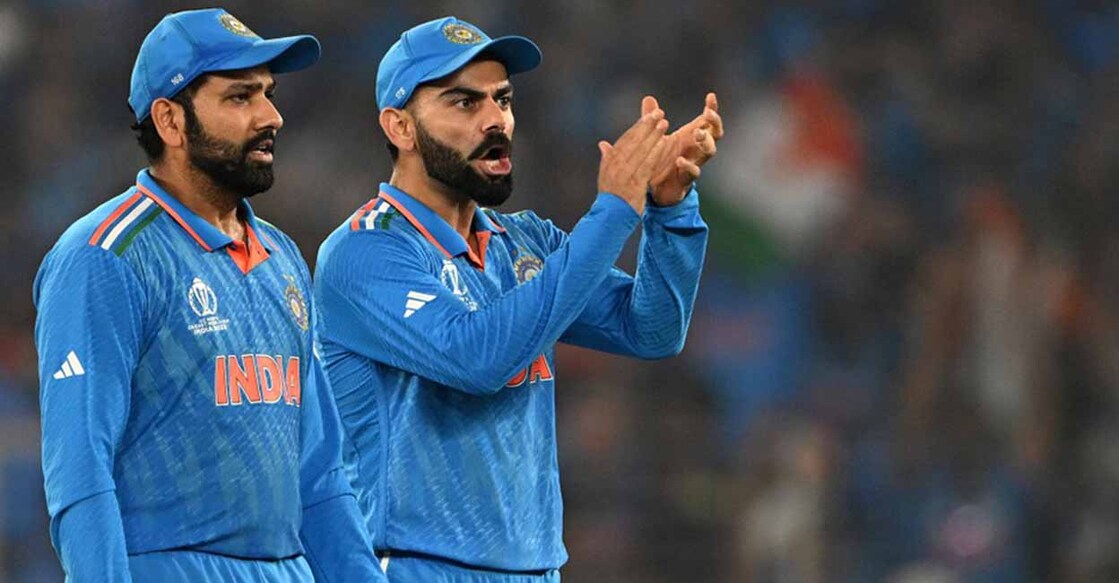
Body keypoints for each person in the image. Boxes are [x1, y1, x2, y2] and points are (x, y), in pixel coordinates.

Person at [314, 16, 722, 581]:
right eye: (463, 103)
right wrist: (612, 211)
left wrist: (668, 207)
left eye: (501, 99)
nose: (495, 120)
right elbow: (476, 358)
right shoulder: (364, 254)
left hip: (535, 568)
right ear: (400, 128)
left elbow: (651, 330)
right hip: (415, 568)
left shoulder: (523, 241)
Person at [33, 9, 384, 582]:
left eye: (267, 94)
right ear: (170, 121)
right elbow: (79, 471)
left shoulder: (284, 258)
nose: (272, 115)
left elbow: (319, 476)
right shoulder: (105, 258)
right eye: (240, 97)